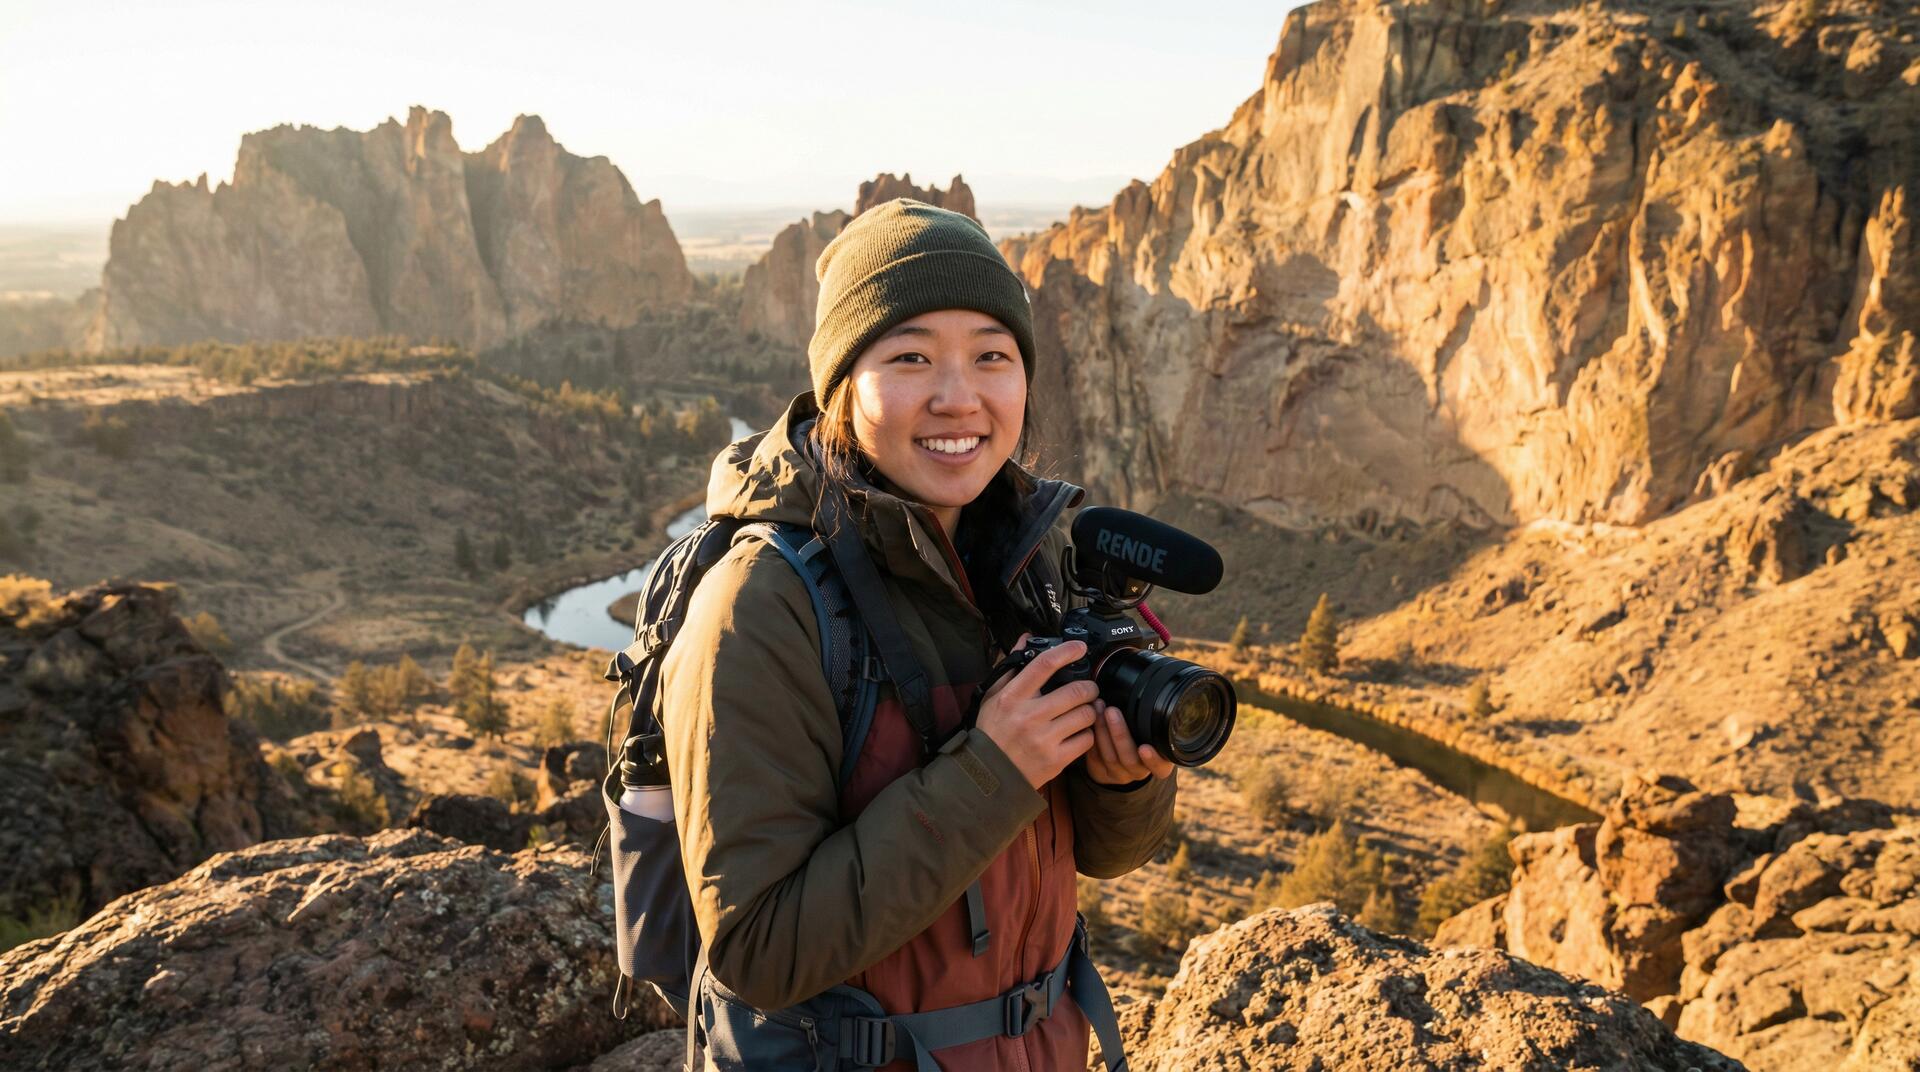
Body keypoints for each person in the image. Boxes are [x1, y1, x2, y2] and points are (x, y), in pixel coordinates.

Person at [661, 198, 1176, 1070]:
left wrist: (1125, 782)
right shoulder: (763, 605)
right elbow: (760, 951)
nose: (958, 396)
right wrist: (991, 772)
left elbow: (1099, 854)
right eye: (910, 357)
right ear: (842, 385)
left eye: (992, 356)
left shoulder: (1024, 562)